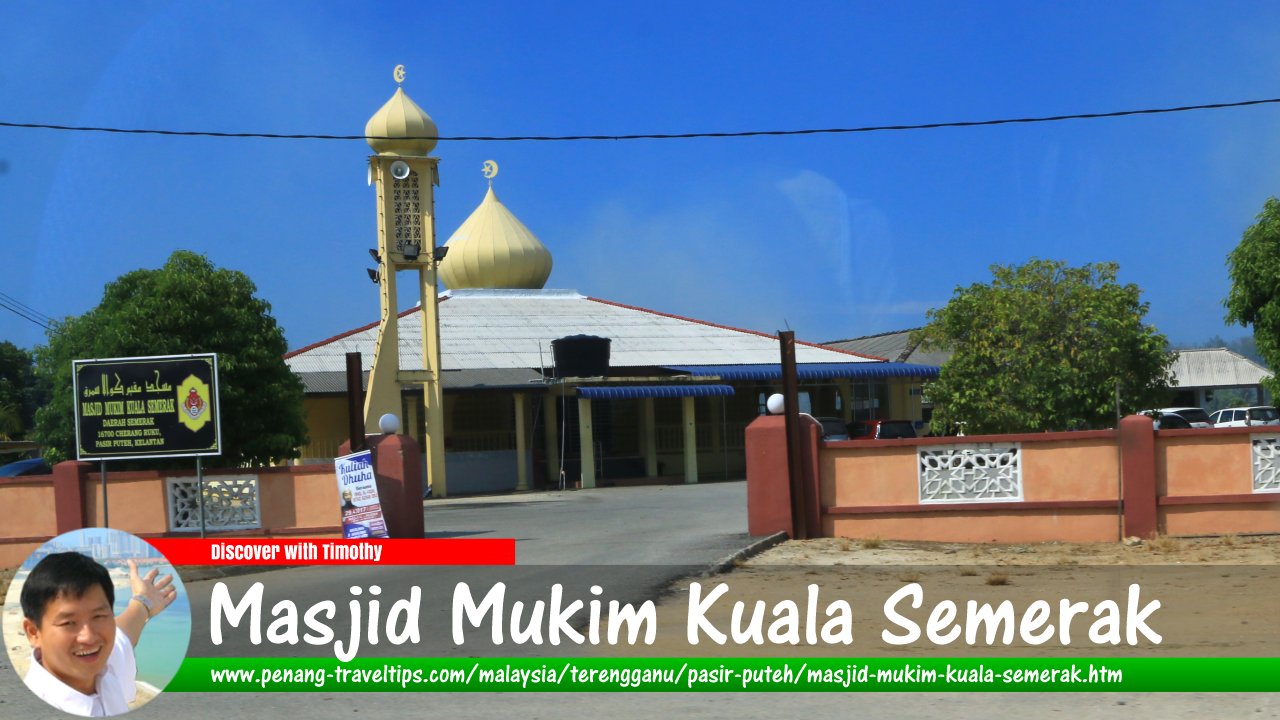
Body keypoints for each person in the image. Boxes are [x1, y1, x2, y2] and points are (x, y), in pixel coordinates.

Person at [20, 551, 177, 717]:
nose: (88, 637)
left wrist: (144, 601)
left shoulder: (104, 667)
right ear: (33, 632)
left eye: (98, 616)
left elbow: (123, 634)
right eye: (68, 623)